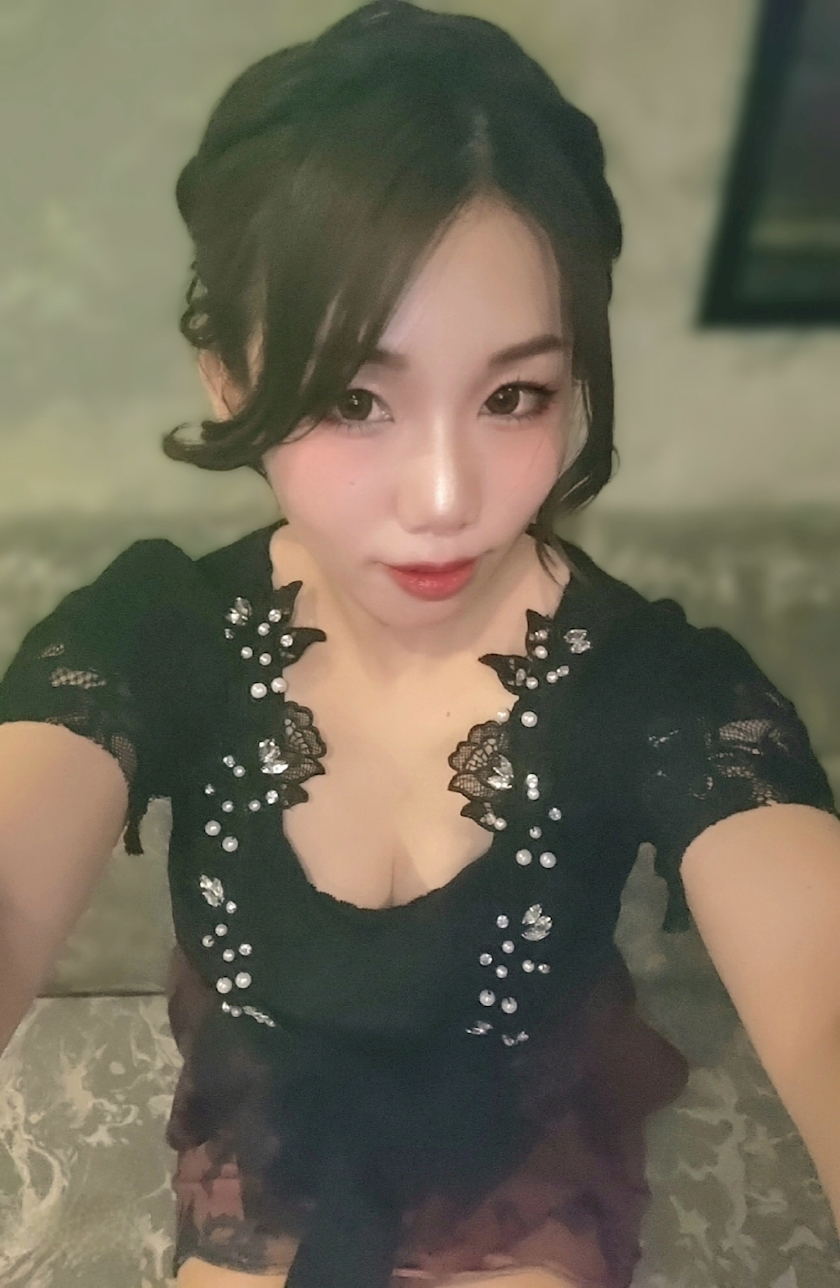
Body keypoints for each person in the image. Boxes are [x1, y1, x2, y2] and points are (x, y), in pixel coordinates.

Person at [0, 2, 838, 1286]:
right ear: (229, 378)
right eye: (354, 398)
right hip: (265, 1160)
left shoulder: (656, 687)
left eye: (514, 396)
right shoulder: (155, 631)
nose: (447, 498)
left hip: (519, 1173)